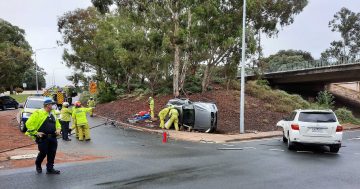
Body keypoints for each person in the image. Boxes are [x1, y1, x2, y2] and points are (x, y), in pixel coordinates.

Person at [25, 98, 61, 174]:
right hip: (43, 138)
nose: (54, 106)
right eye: (52, 104)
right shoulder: (38, 113)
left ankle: (50, 169)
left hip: (53, 137)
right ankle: (38, 164)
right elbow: (28, 124)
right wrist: (36, 132)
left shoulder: (53, 113)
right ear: (47, 105)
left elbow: (57, 123)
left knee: (52, 153)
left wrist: (58, 129)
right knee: (43, 152)